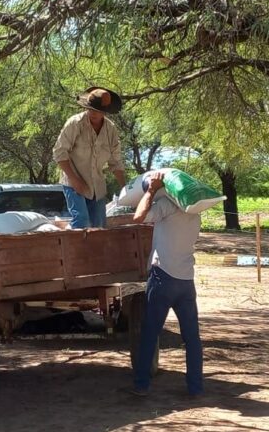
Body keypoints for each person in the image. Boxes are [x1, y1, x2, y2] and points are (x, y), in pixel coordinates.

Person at [127, 172, 203, 396]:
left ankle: (141, 385)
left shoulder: (166, 206)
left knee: (150, 333)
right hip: (186, 280)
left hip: (163, 277)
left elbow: (138, 217)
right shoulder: (195, 212)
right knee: (192, 338)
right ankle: (195, 388)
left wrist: (151, 190)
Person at [52, 86, 127, 229]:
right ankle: (71, 241)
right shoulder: (75, 123)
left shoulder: (110, 130)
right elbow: (59, 152)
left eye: (98, 111)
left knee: (98, 226)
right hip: (73, 181)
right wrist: (75, 181)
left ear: (105, 112)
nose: (93, 113)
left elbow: (116, 162)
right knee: (82, 221)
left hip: (97, 186)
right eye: (90, 109)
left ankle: (86, 242)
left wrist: (126, 189)